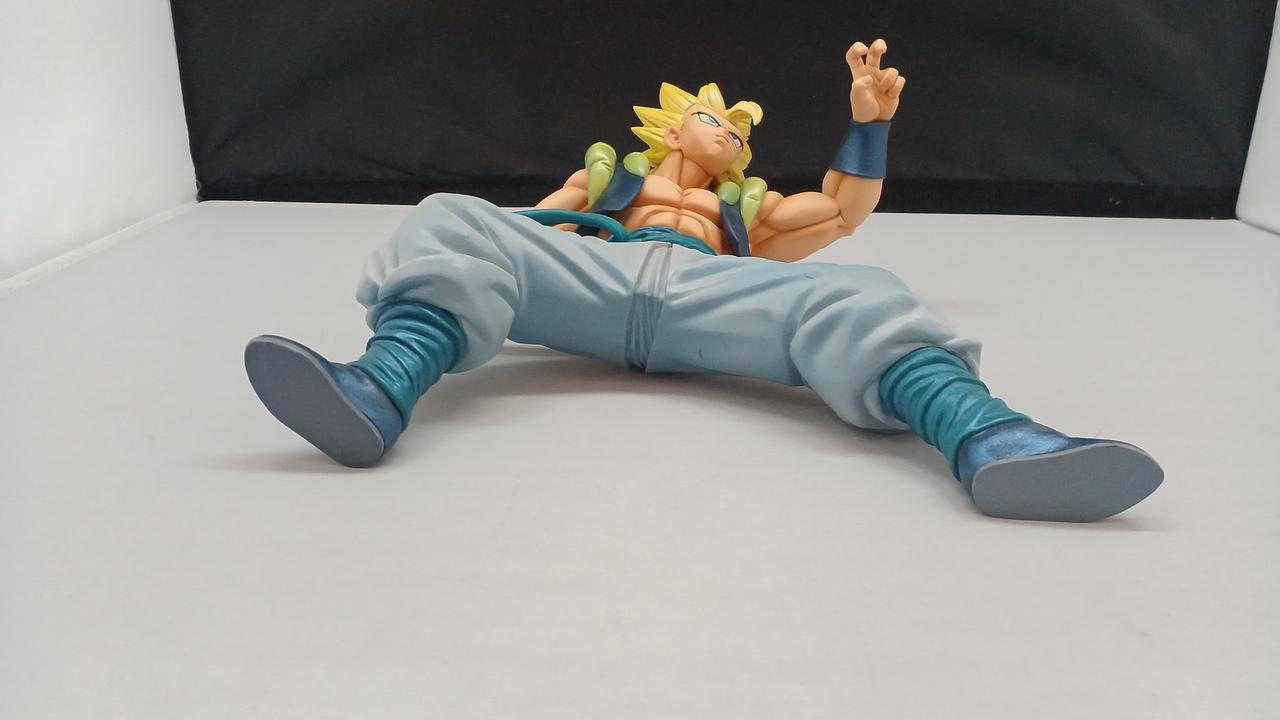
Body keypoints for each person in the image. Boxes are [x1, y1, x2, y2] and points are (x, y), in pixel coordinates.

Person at [245, 40, 1163, 522]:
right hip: (591, 280)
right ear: (671, 127)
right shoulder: (611, 177)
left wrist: (868, 126)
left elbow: (841, 213)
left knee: (864, 287)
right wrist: (496, 251)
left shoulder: (746, 208)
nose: (727, 133)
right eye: (714, 120)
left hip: (711, 299)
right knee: (453, 213)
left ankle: (990, 439)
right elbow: (522, 231)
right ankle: (380, 387)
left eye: (737, 131)